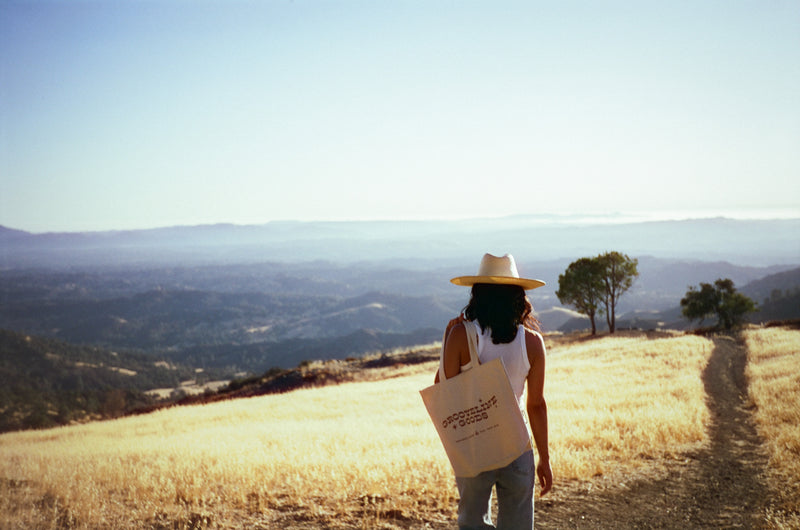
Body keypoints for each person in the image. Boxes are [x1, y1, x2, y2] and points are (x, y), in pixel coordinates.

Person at [438, 253, 552, 529]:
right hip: (517, 444)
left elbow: (444, 393)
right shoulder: (533, 343)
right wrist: (544, 459)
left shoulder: (461, 336)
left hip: (474, 444)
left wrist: (447, 339)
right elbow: (536, 405)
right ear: (518, 296)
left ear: (477, 294)